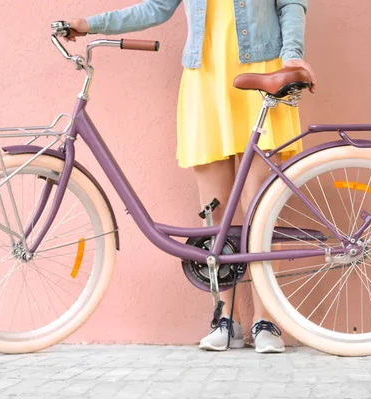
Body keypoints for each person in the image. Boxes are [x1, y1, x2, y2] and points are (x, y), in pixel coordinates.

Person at [65, 0, 316, 353]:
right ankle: (225, 318)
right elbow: (155, 9)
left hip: (261, 71)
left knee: (260, 206)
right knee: (215, 212)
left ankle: (266, 319)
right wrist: (90, 24)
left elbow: (291, 4)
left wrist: (292, 55)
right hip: (206, 80)